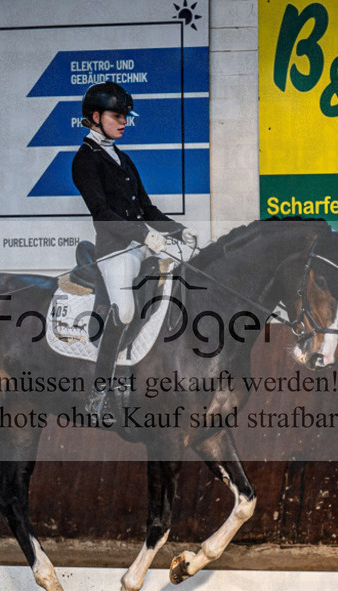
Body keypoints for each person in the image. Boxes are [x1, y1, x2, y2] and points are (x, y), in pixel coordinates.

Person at [71, 81, 197, 416]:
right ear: (95, 117)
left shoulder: (123, 159)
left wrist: (178, 231)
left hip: (142, 244)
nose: (124, 122)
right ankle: (99, 391)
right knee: (124, 310)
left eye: (125, 116)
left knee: (182, 276)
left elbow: (148, 208)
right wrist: (144, 236)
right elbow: (102, 213)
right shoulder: (84, 160)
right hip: (115, 250)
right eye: (117, 115)